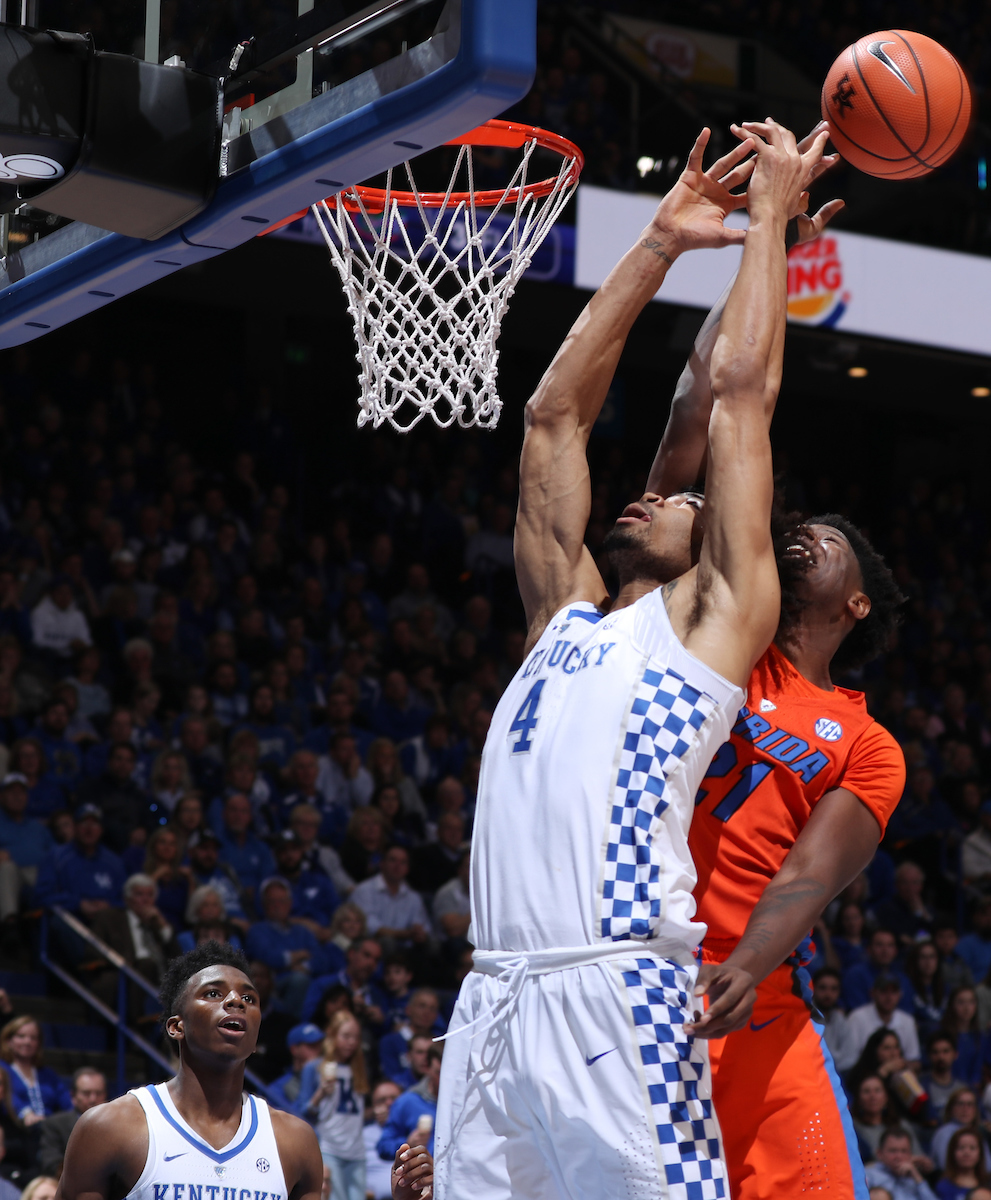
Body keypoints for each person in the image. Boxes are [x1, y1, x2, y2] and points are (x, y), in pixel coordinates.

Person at [436, 118, 825, 1199]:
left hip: (618, 995)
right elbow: (551, 418)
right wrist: (659, 242)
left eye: (683, 496)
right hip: (493, 1001)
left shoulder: (712, 622)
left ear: (722, 536)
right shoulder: (566, 618)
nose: (653, 491)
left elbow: (739, 396)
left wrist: (764, 226)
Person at [57, 942, 324, 1200]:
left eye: (248, 998)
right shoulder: (110, 1127)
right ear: (176, 1026)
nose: (236, 1001)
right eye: (213, 993)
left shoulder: (295, 1141)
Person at [297, 1011, 368, 1200]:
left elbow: (356, 1111)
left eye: (355, 1037)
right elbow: (303, 1111)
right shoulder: (314, 1067)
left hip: (356, 1149)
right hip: (329, 1146)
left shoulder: (359, 1068)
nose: (351, 1042)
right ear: (332, 1035)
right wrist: (320, 1093)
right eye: (346, 1036)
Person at [349, 846, 430, 953]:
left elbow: (424, 927)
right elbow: (370, 928)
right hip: (370, 944)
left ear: (407, 869)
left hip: (407, 949)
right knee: (388, 942)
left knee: (430, 943)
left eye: (403, 862)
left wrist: (419, 933)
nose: (397, 866)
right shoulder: (364, 890)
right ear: (382, 864)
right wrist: (404, 934)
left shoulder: (414, 897)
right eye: (393, 860)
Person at [36, 1068, 106, 1176]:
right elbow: (51, 1164)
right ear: (73, 1096)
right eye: (86, 1093)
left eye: (98, 1093)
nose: (93, 1099)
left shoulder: (117, 1127)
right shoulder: (55, 1124)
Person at [0, 1018, 70, 1125]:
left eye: (33, 1038)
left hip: (47, 1130)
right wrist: (26, 1113)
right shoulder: (2, 1068)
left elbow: (66, 1100)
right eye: (21, 1036)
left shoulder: (47, 1074)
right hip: (13, 1129)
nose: (27, 1042)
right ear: (9, 1041)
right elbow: (6, 1096)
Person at [847, 976, 922, 1065]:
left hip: (897, 1073)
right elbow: (850, 1060)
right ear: (873, 993)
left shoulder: (908, 1021)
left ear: (900, 995)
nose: (889, 997)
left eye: (893, 992)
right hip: (865, 1074)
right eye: (884, 991)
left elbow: (913, 1060)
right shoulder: (856, 1018)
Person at [864, 1129, 938, 1200]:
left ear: (910, 1154)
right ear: (879, 1153)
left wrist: (917, 1177)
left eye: (904, 1151)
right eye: (893, 1151)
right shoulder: (869, 1175)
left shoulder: (914, 1178)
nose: (899, 1157)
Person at [269, 1023, 323, 1113]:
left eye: (319, 1045)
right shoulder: (280, 1086)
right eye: (311, 1046)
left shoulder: (328, 1077)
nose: (317, 1051)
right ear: (294, 1049)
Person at [813, 966, 856, 1072]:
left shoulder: (840, 1019)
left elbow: (850, 1058)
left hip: (837, 1074)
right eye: (822, 988)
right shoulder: (804, 1018)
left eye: (833, 989)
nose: (828, 994)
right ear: (812, 989)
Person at [365, 1082, 402, 1200]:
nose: (388, 1104)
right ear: (373, 1106)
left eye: (394, 1099)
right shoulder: (363, 1135)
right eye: (382, 1100)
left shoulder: (413, 1132)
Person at [921, 1034, 967, 1123]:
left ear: (955, 1054)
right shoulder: (919, 1086)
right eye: (935, 1052)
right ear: (928, 1055)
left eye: (946, 1051)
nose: (941, 1057)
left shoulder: (964, 1088)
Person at [936, 1127, 988, 1199]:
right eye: (961, 1148)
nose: (967, 1153)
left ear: (980, 1153)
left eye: (972, 1148)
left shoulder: (988, 1181)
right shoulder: (944, 1186)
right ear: (952, 1152)